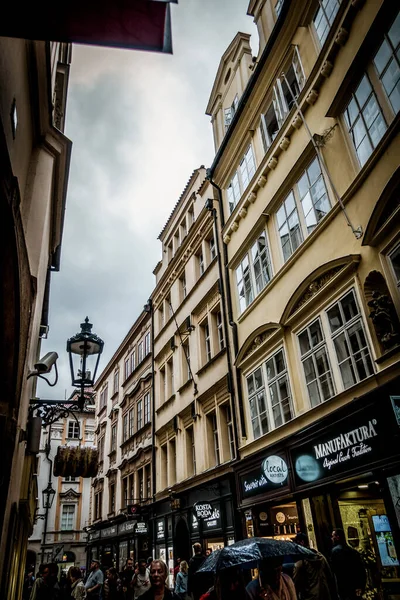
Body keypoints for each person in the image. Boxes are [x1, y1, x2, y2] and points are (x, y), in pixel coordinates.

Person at [292, 532, 337, 600]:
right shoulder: (320, 556)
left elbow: (295, 585)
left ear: (302, 542)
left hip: (310, 597)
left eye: (297, 543)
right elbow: (330, 576)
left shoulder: (300, 563)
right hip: (325, 595)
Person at [331, 529, 367, 600]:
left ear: (337, 537)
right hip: (354, 586)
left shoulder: (335, 551)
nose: (332, 539)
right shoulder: (353, 551)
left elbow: (336, 571)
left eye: (333, 536)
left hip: (344, 587)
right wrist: (360, 586)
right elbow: (361, 569)